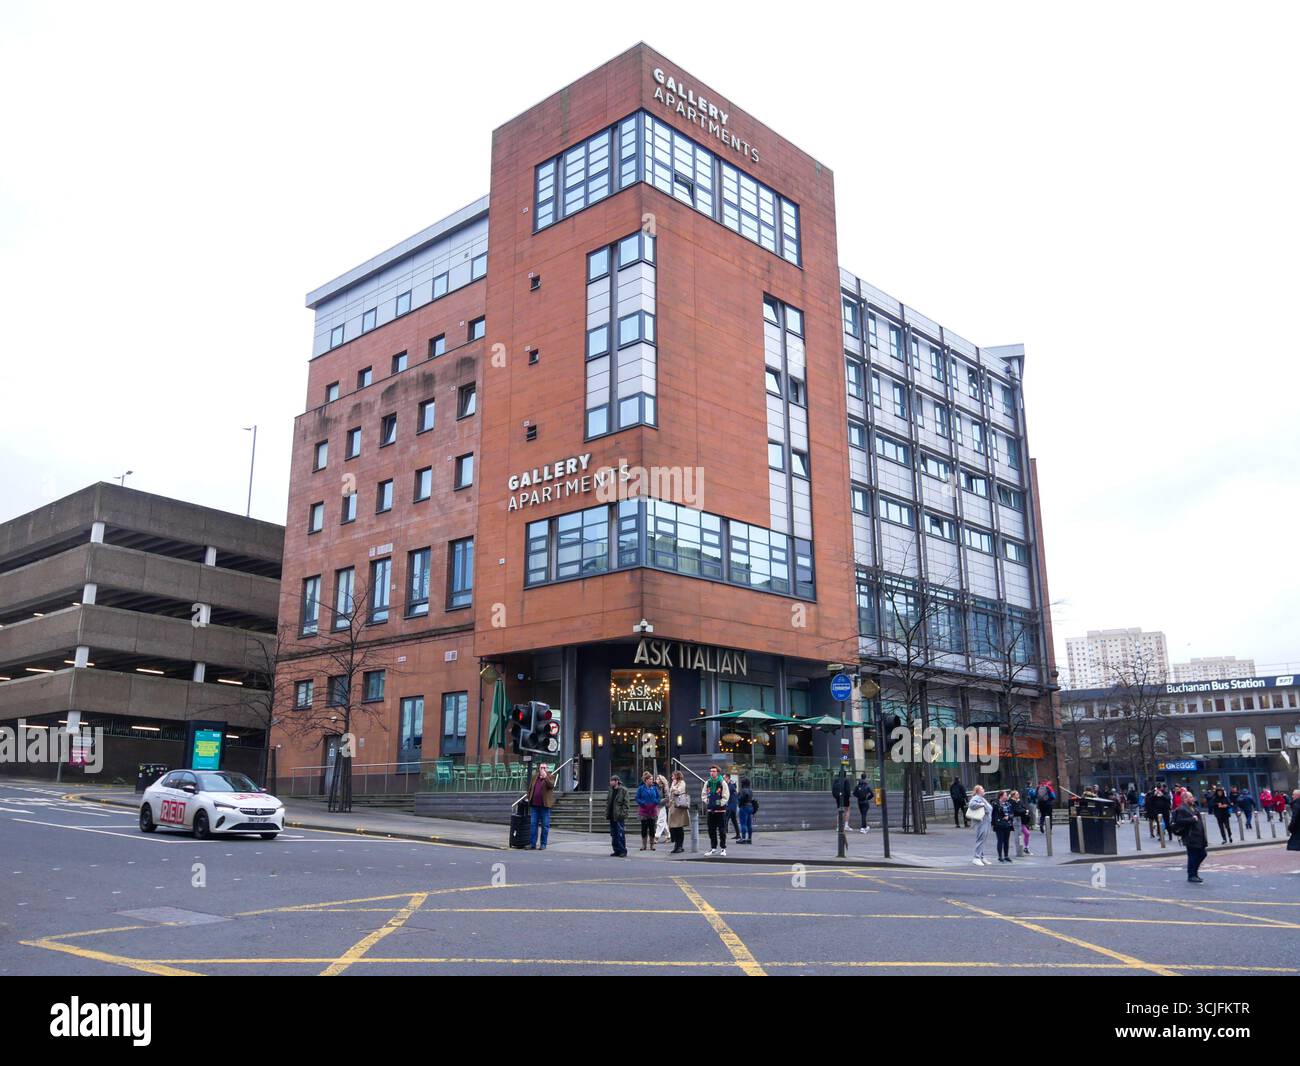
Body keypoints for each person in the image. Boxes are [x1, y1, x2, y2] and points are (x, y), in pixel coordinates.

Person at [1171, 792, 1208, 883]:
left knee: (1202, 854)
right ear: (1185, 799)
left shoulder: (1193, 807)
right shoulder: (1182, 809)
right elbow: (1179, 821)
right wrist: (1192, 819)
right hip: (1191, 836)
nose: (1193, 799)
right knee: (1193, 856)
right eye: (1191, 797)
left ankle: (1194, 873)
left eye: (1192, 797)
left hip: (1198, 836)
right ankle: (1191, 875)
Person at [701, 765, 730, 856]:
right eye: (711, 771)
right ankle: (713, 848)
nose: (712, 773)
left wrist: (720, 803)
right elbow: (703, 794)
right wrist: (707, 801)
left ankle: (723, 848)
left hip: (720, 811)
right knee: (711, 830)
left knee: (722, 830)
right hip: (711, 810)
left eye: (714, 771)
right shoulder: (707, 782)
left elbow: (726, 795)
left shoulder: (722, 782)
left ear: (718, 772)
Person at [525, 764, 555, 850]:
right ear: (539, 768)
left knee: (545, 826)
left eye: (544, 768)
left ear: (547, 769)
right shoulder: (535, 777)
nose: (542, 769)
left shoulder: (550, 777)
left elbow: (551, 785)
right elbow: (530, 788)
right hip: (534, 806)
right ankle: (532, 844)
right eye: (541, 767)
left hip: (544, 807)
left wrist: (545, 777)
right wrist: (528, 798)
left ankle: (543, 844)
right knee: (533, 825)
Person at [967, 784, 993, 866]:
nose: (983, 790)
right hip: (981, 822)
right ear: (978, 791)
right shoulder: (976, 798)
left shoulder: (981, 798)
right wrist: (981, 805)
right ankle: (976, 857)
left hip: (985, 821)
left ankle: (981, 856)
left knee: (983, 840)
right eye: (982, 789)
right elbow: (971, 804)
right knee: (981, 839)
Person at [635, 771, 660, 852]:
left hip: (652, 810)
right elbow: (637, 798)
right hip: (644, 811)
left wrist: (655, 802)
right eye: (650, 779)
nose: (652, 780)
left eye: (652, 779)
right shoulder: (641, 788)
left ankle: (652, 845)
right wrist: (642, 803)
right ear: (646, 780)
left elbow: (658, 797)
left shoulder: (654, 788)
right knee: (644, 828)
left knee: (652, 828)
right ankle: (643, 845)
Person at [666, 770, 689, 854]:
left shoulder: (682, 783)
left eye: (673, 776)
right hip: (673, 807)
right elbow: (670, 794)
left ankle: (680, 846)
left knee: (679, 827)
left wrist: (672, 787)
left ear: (677, 776)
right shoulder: (674, 783)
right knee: (674, 828)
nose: (672, 777)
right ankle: (676, 845)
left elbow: (678, 792)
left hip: (679, 808)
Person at [605, 774, 628, 857]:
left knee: (620, 834)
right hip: (612, 816)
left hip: (619, 816)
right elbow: (608, 802)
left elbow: (626, 804)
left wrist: (622, 814)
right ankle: (616, 850)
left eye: (612, 781)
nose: (610, 782)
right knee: (613, 834)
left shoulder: (623, 790)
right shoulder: (610, 790)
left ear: (616, 781)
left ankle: (623, 851)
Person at [992, 790, 1014, 862]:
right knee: (1000, 840)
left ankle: (1006, 855)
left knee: (1006, 841)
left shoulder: (1008, 804)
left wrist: (1009, 817)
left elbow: (1012, 813)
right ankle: (1000, 856)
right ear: (1001, 796)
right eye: (1005, 795)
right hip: (999, 825)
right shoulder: (995, 804)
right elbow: (994, 815)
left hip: (1007, 824)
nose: (1007, 796)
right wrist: (996, 822)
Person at [832, 769, 853, 837]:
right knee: (847, 810)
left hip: (838, 798)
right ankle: (846, 825)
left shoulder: (835, 780)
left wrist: (836, 797)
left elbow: (833, 790)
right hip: (845, 798)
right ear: (845, 774)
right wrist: (848, 797)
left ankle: (838, 826)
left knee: (839, 811)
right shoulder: (846, 780)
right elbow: (848, 790)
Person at [1010, 789, 1032, 855]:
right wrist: (1025, 811)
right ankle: (1022, 849)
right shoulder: (1012, 802)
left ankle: (1024, 848)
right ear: (1013, 796)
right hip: (1017, 821)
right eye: (1017, 794)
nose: (1018, 795)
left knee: (1024, 834)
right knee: (1024, 834)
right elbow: (1017, 811)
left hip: (1022, 820)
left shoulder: (1019, 801)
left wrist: (1025, 810)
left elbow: (1023, 808)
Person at [737, 776, 755, 843]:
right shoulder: (750, 790)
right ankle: (749, 838)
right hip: (750, 807)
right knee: (749, 824)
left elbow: (740, 799)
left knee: (743, 824)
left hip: (744, 807)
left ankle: (743, 838)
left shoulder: (743, 790)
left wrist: (739, 804)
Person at [725, 772, 742, 842]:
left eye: (724, 778)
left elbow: (726, 793)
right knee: (734, 820)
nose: (723, 779)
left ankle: (723, 833)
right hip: (732, 805)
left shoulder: (730, 785)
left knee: (725, 818)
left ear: (727, 778)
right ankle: (738, 834)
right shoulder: (730, 784)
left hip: (731, 805)